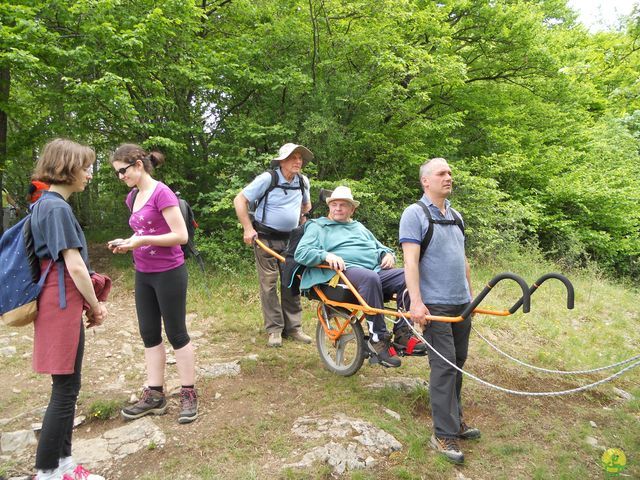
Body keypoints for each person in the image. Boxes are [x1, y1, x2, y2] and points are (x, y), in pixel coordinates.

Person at [29, 138, 108, 480]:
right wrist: (96, 306)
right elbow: (74, 266)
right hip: (60, 301)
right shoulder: (56, 208)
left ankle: (63, 466)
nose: (89, 174)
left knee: (66, 387)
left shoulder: (45, 204)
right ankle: (48, 472)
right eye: (86, 167)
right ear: (67, 168)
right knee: (65, 390)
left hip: (57, 299)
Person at [108, 144, 198, 424]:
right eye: (117, 173)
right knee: (149, 333)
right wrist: (128, 242)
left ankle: (188, 392)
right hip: (143, 273)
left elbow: (180, 236)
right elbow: (141, 230)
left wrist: (142, 241)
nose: (120, 177)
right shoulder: (132, 196)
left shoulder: (162, 193)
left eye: (122, 171)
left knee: (176, 332)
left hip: (169, 272)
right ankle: (155, 394)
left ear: (137, 165)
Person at [399, 157, 480, 464]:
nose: (449, 177)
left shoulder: (456, 216)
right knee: (444, 367)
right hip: (435, 306)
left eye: (450, 173)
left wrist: (471, 299)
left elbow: (463, 260)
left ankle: (455, 420)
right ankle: (442, 433)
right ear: (426, 181)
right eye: (441, 173)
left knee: (458, 362)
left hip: (461, 304)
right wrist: (417, 303)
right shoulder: (415, 214)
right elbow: (410, 262)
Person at [294, 186, 426, 368]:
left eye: (343, 205)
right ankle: (378, 339)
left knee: (409, 275)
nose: (338, 208)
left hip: (374, 271)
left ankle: (403, 333)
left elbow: (381, 248)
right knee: (369, 277)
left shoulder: (359, 227)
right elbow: (301, 253)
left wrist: (388, 255)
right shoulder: (318, 226)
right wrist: (326, 255)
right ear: (329, 207)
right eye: (334, 204)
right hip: (341, 274)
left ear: (352, 209)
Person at [233, 143, 314, 347]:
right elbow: (239, 200)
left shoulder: (303, 181)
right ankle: (275, 330)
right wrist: (247, 229)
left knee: (291, 282)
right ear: (282, 161)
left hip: (291, 240)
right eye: (293, 157)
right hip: (266, 238)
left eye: (300, 158)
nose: (298, 161)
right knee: (269, 284)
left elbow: (307, 205)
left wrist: (302, 219)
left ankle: (293, 328)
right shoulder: (268, 178)